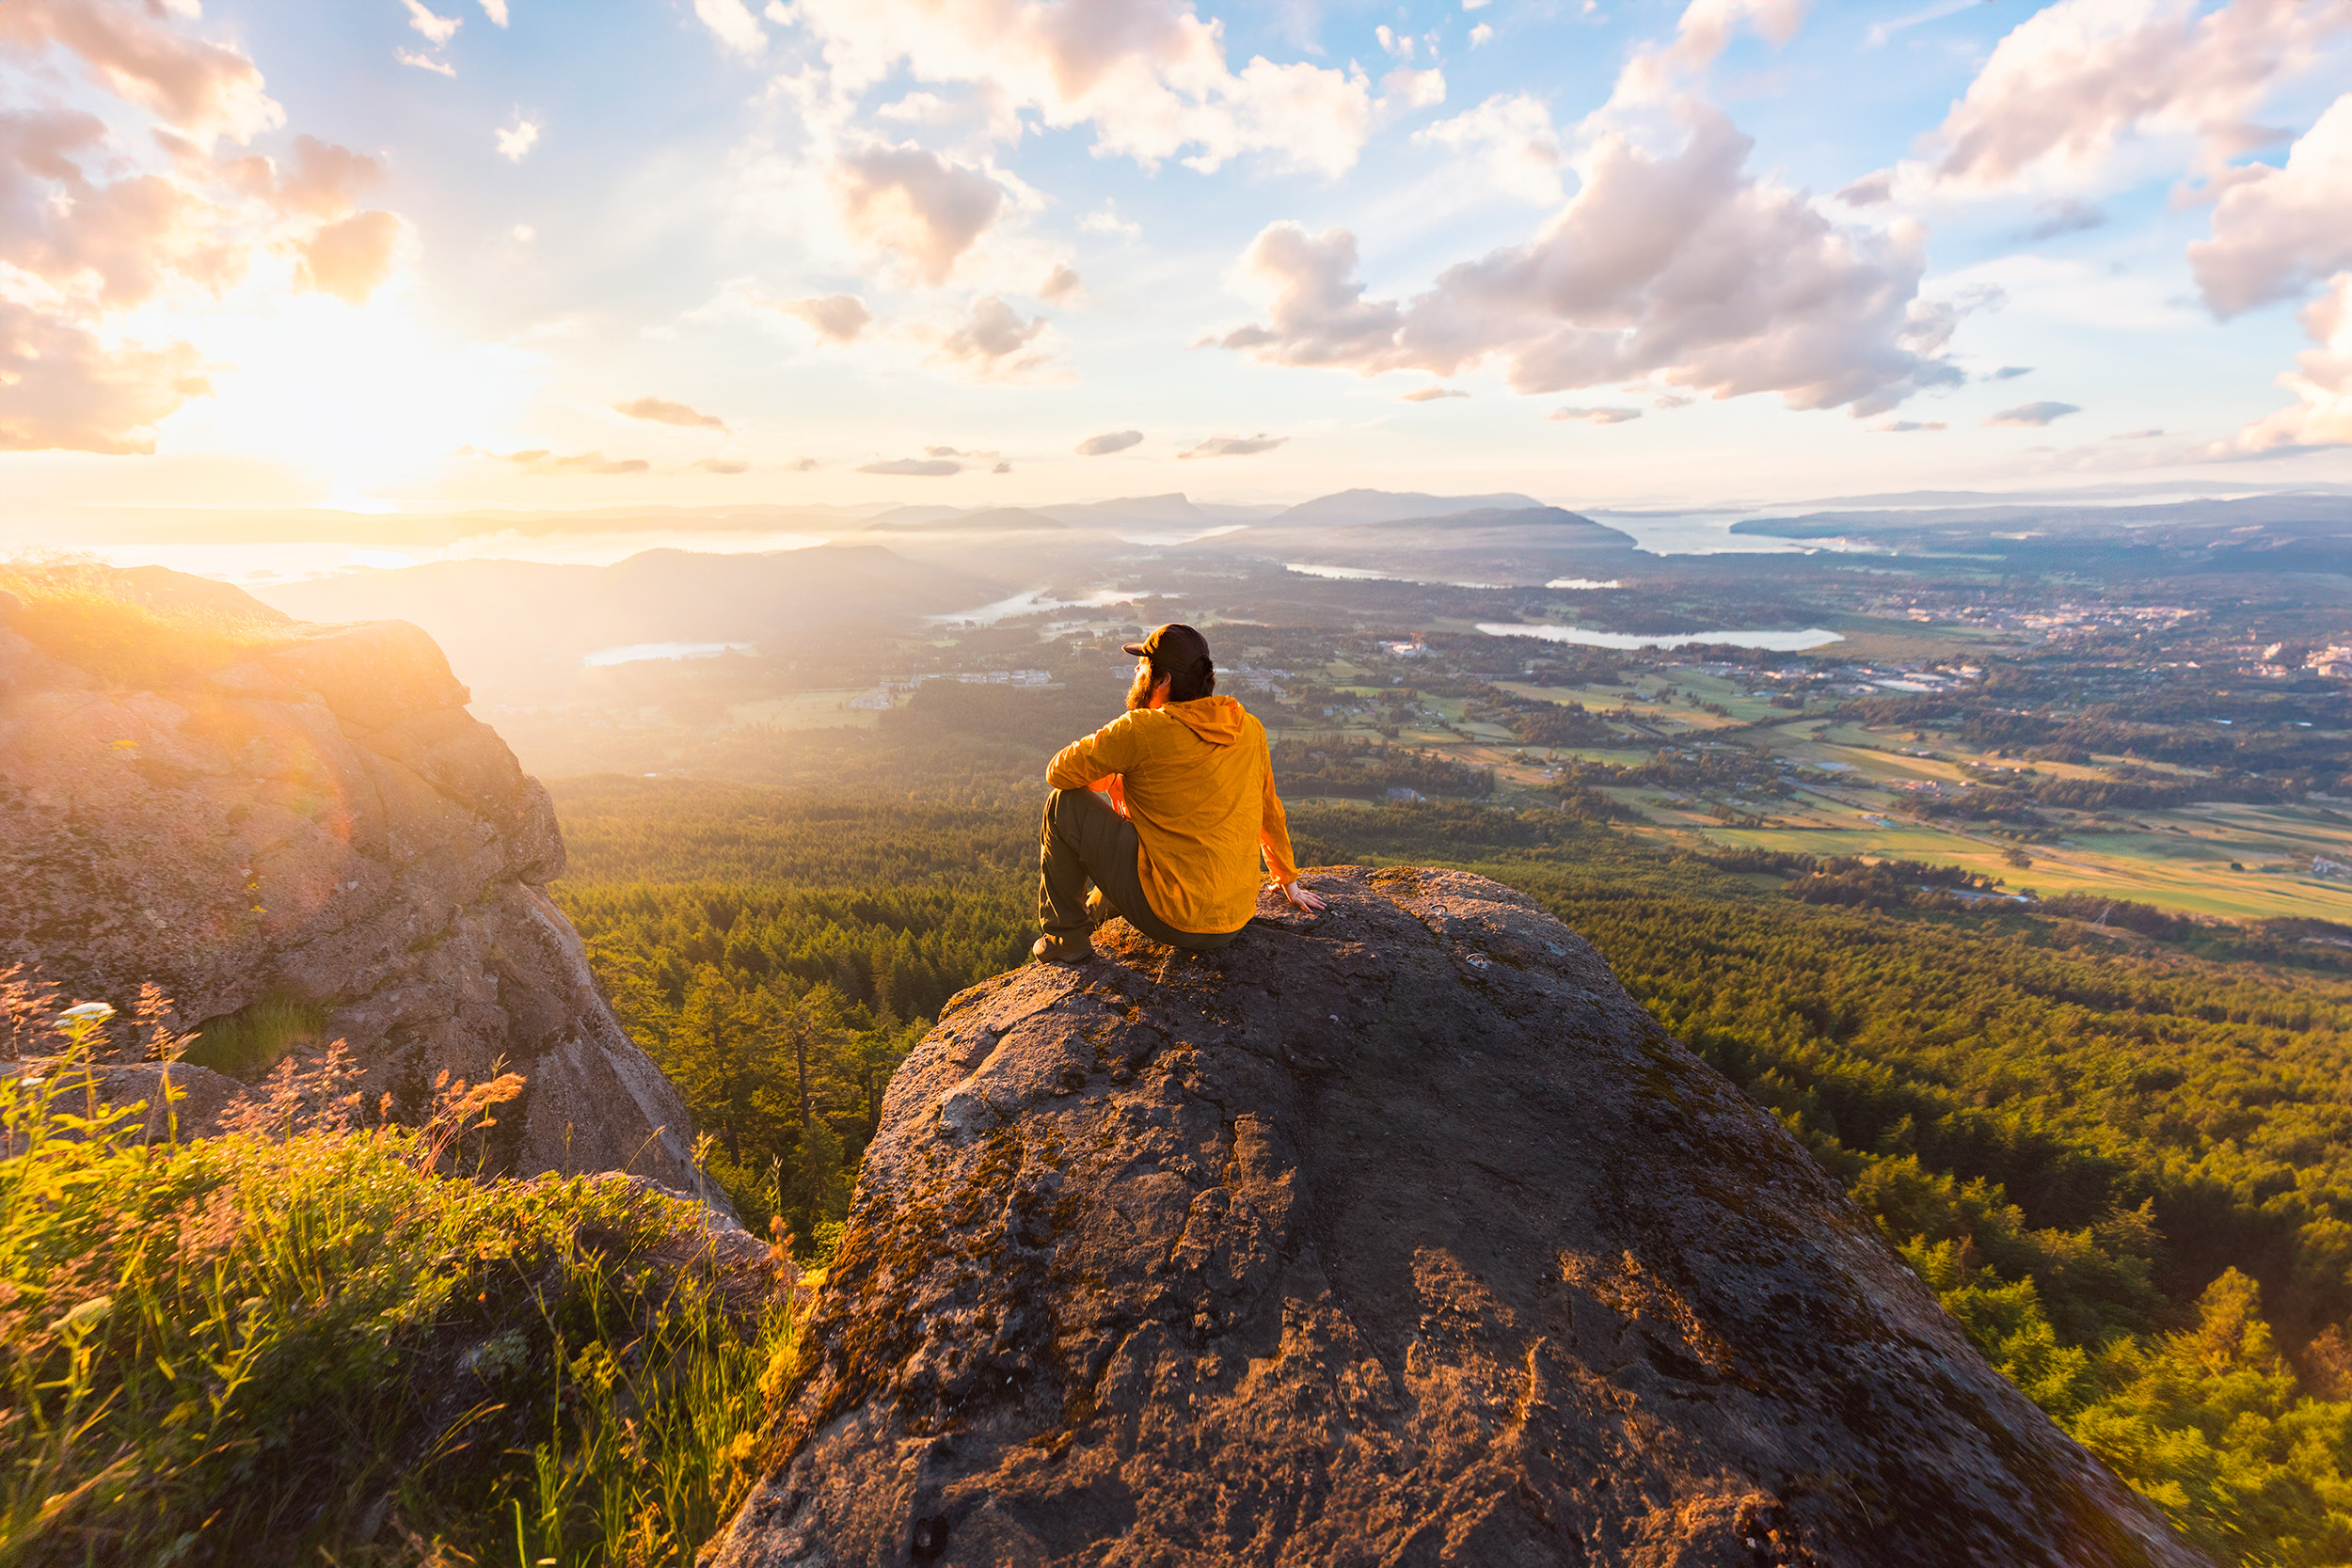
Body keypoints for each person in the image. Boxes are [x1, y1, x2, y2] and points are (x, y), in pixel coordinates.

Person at [1033, 623, 1325, 964]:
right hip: (1235, 918)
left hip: (1175, 921)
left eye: (1142, 665)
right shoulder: (1249, 728)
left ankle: (1065, 938)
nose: (1136, 670)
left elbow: (1059, 772)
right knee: (1146, 834)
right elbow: (1268, 810)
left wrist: (1116, 769)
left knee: (1062, 806)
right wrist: (1287, 879)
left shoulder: (1142, 729)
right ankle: (1095, 916)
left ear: (1163, 680)